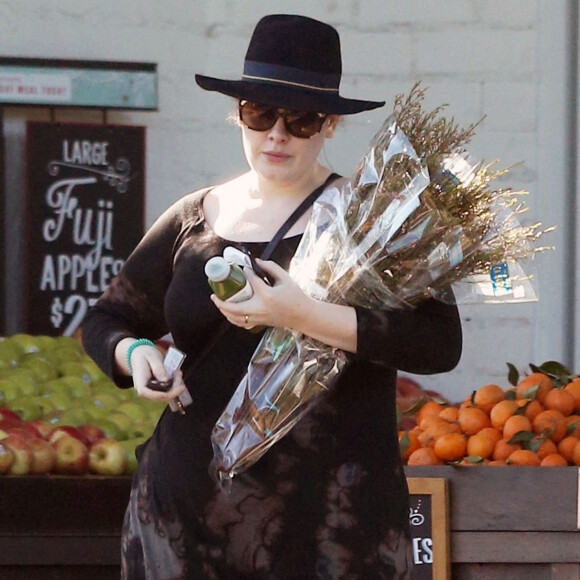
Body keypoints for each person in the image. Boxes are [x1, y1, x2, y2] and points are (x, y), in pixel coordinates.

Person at [81, 14, 462, 580]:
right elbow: (107, 318)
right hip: (184, 518)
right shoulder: (196, 216)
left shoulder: (374, 222)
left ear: (331, 124)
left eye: (300, 119)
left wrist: (303, 315)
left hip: (329, 526)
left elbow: (439, 343)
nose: (276, 134)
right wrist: (137, 354)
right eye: (260, 114)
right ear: (238, 114)